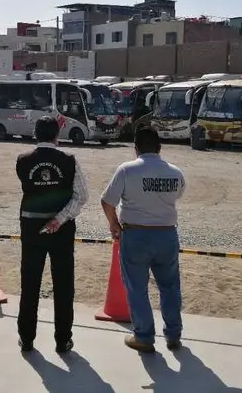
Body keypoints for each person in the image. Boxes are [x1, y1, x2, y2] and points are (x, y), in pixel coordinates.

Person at [100, 127, 187, 353]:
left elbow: (107, 201)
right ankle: (173, 334)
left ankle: (144, 336)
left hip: (136, 235)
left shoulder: (127, 170)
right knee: (169, 286)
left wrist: (114, 225)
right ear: (160, 148)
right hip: (167, 234)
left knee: (137, 288)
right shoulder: (175, 173)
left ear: (135, 148)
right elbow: (177, 195)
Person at [15, 116, 89, 354]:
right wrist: (60, 218)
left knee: (30, 283)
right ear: (57, 135)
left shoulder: (23, 160)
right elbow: (81, 195)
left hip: (31, 227)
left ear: (35, 134)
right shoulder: (69, 160)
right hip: (62, 230)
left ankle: (26, 338)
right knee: (63, 284)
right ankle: (62, 339)